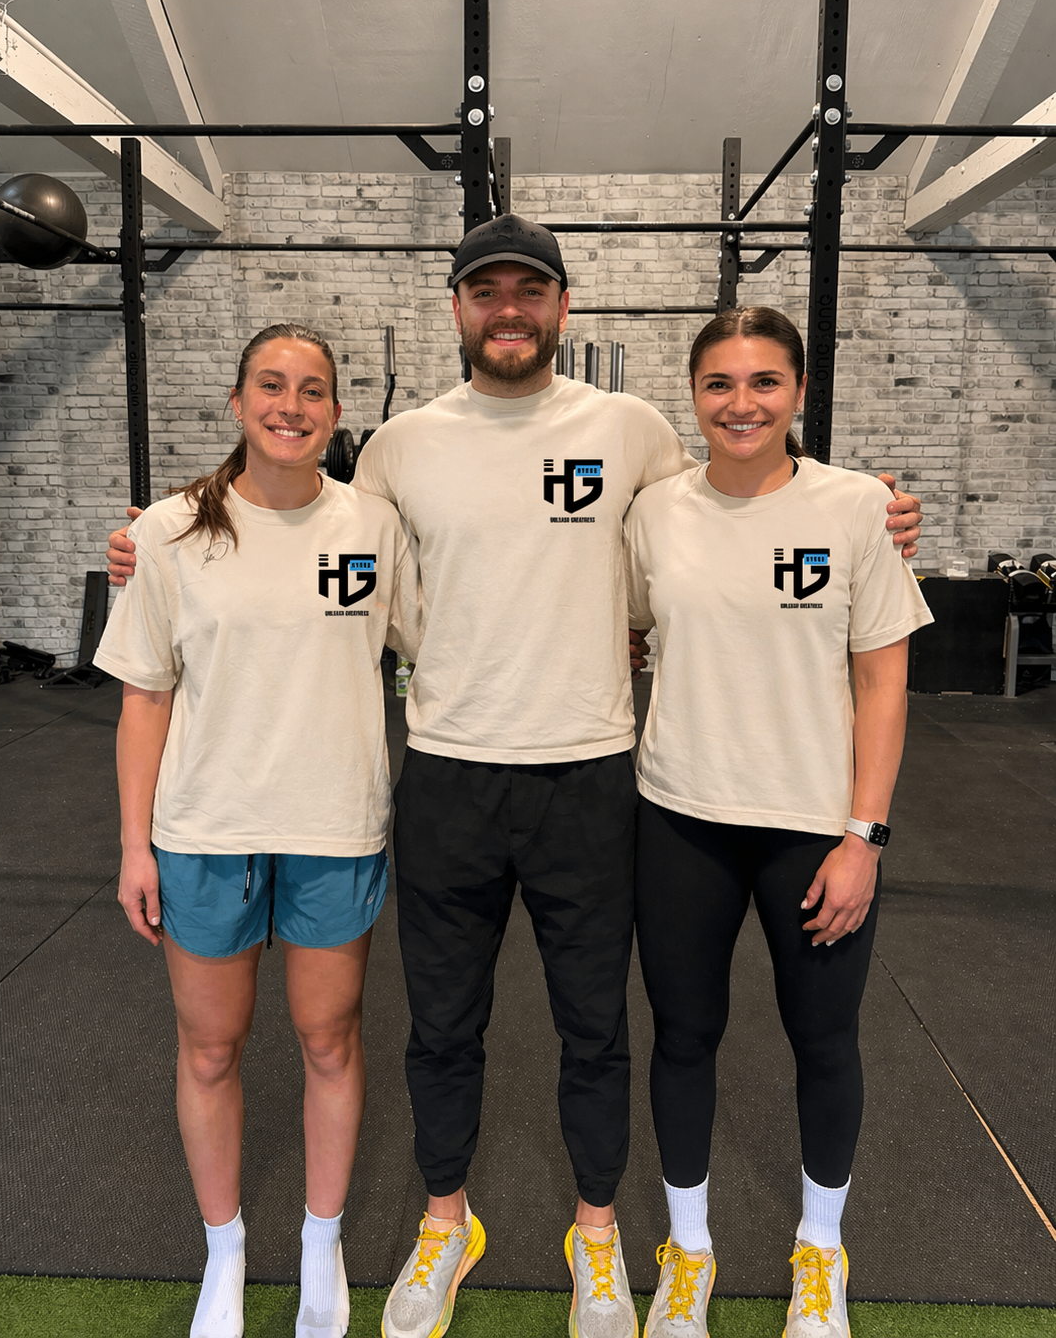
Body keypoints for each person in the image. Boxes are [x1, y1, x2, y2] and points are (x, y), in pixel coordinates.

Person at [106, 218, 924, 1338]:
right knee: (443, 1026)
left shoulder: (632, 432)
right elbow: (303, 530)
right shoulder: (398, 449)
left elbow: (730, 511)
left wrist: (869, 518)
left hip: (590, 776)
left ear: (561, 306)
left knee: (596, 1027)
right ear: (456, 309)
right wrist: (157, 540)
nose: (508, 308)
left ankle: (598, 1235)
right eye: (485, 290)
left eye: (528, 291)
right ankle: (447, 1220)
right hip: (449, 774)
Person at [93, 324, 417, 1338]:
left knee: (329, 1038)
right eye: (271, 386)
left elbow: (441, 634)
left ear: (335, 411)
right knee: (209, 1048)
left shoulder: (373, 524)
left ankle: (322, 1244)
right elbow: (145, 696)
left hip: (334, 824)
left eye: (312, 389)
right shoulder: (168, 533)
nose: (291, 405)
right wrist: (135, 845)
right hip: (206, 829)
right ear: (237, 403)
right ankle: (224, 1251)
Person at [624, 306, 933, 1338]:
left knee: (824, 1039)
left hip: (814, 830)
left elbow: (883, 684)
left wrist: (864, 837)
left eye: (764, 381)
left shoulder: (858, 509)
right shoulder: (654, 512)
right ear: (694, 395)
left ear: (798, 392)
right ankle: (689, 1252)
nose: (741, 402)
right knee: (683, 1037)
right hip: (681, 819)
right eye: (719, 383)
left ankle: (820, 1251)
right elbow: (624, 626)